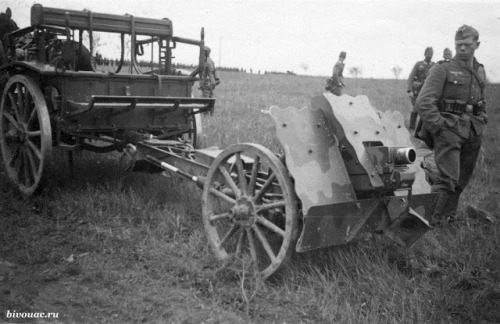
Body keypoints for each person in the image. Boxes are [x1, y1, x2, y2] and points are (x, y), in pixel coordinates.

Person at [415, 25, 487, 227]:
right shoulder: (442, 68)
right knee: (447, 180)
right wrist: (440, 127)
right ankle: (427, 222)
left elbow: (481, 100)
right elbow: (423, 102)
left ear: (477, 45)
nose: (462, 48)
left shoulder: (479, 70)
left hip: (473, 130)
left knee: (461, 180)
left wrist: (482, 118)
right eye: (459, 44)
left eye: (467, 44)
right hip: (449, 130)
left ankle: (448, 217)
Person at [407, 47, 435, 130]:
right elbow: (411, 77)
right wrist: (410, 90)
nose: (429, 55)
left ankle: (422, 130)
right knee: (415, 109)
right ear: (425, 54)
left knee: (427, 111)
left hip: (429, 92)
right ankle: (412, 128)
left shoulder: (434, 65)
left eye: (431, 54)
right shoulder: (419, 64)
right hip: (417, 91)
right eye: (428, 53)